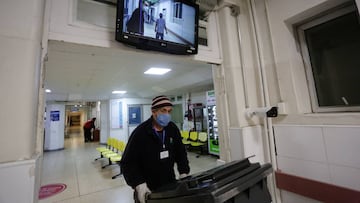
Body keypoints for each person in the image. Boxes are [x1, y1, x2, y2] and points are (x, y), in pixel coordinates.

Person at [121, 95, 190, 203]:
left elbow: (180, 152)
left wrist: (184, 172)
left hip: (169, 184)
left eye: (169, 111)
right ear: (154, 112)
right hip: (147, 188)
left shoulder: (172, 129)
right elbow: (128, 163)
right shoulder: (140, 133)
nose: (167, 114)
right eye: (163, 111)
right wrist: (139, 185)